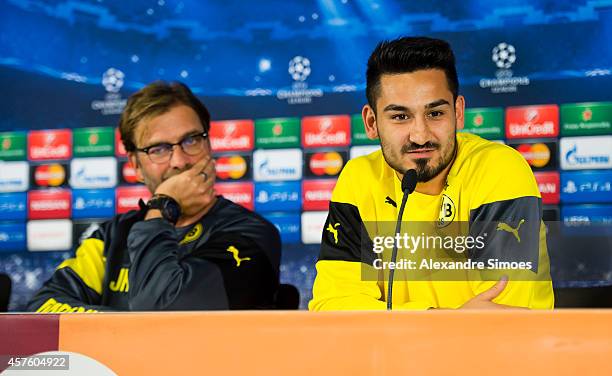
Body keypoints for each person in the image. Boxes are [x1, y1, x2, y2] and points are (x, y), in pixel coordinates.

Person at [309, 37, 554, 310]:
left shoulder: (498, 169)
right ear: (371, 122)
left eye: (435, 113)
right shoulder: (358, 178)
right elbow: (332, 307)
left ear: (458, 113)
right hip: (395, 352)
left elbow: (502, 316)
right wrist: (448, 320)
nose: (420, 135)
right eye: (400, 117)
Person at [28, 82, 281, 312]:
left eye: (191, 140)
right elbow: (43, 309)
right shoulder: (111, 237)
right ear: (136, 165)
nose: (180, 161)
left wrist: (161, 206)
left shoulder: (252, 234)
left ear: (209, 145)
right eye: (158, 149)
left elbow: (162, 318)